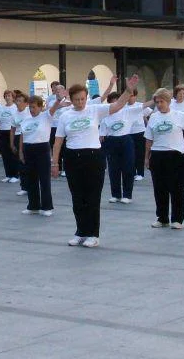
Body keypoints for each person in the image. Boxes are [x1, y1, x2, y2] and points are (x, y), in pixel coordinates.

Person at [51, 74, 139, 248]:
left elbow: (117, 105)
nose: (80, 102)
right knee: (77, 197)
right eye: (77, 99)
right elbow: (58, 141)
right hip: (72, 158)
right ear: (71, 99)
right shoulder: (65, 116)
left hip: (93, 157)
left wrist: (128, 91)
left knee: (92, 196)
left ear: (86, 97)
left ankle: (93, 234)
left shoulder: (94, 110)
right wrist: (55, 163)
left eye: (83, 99)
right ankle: (80, 232)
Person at [144, 88, 184, 229]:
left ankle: (177, 219)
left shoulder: (179, 116)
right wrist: (147, 157)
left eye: (161, 101)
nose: (159, 105)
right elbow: (148, 139)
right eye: (157, 102)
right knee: (159, 188)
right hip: (157, 154)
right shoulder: (153, 117)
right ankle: (162, 218)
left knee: (176, 188)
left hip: (175, 155)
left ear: (168, 101)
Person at [18, 95, 67, 216]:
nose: (31, 110)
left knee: (44, 179)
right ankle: (33, 206)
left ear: (40, 107)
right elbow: (22, 136)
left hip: (42, 149)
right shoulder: (26, 120)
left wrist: (58, 99)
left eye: (34, 107)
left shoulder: (46, 116)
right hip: (28, 149)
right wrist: (21, 151)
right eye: (30, 107)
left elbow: (54, 107)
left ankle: (47, 207)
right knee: (31, 179)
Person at [100, 90, 142, 204]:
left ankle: (127, 195)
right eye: (112, 103)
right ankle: (116, 194)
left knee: (128, 168)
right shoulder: (106, 116)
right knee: (113, 169)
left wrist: (155, 99)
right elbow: (102, 134)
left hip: (126, 140)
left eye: (117, 102)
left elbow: (143, 107)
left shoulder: (127, 111)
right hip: (111, 141)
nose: (115, 105)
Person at [128, 89, 151, 182]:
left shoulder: (140, 105)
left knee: (140, 153)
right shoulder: (124, 107)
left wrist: (147, 123)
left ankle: (140, 173)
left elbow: (149, 113)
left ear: (135, 96)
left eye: (132, 96)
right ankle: (133, 172)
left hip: (140, 132)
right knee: (131, 154)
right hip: (129, 133)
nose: (130, 98)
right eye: (129, 96)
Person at [0, 90, 18, 182]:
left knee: (12, 153)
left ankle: (15, 175)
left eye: (9, 95)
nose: (7, 97)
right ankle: (8, 174)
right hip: (2, 131)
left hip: (11, 132)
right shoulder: (1, 108)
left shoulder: (15, 108)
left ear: (13, 97)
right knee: (5, 154)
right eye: (5, 96)